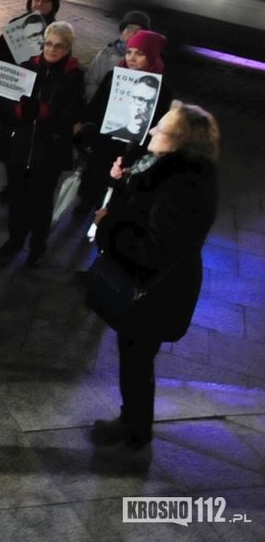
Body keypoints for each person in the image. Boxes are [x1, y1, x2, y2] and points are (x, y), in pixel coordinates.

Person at [90, 102, 219, 452]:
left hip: (157, 292)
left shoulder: (184, 189)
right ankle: (134, 423)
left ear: (180, 141)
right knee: (135, 357)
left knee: (136, 358)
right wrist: (122, 180)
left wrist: (109, 226)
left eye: (160, 129)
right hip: (154, 286)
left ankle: (134, 428)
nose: (151, 132)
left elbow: (152, 249)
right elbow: (142, 202)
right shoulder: (168, 169)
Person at [0, 21, 85, 267]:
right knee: (17, 198)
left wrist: (46, 112)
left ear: (68, 48)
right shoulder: (26, 68)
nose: (52, 50)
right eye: (48, 43)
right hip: (21, 147)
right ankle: (14, 240)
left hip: (50, 152)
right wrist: (18, 110)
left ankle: (37, 247)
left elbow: (75, 114)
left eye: (59, 46)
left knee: (41, 203)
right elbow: (4, 103)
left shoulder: (75, 76)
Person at [77, 29, 174, 213]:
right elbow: (96, 107)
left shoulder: (162, 89)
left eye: (139, 53)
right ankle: (87, 203)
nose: (132, 58)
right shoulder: (114, 76)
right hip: (104, 142)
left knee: (118, 188)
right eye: (129, 52)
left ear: (151, 56)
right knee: (94, 177)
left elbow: (161, 123)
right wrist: (89, 129)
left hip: (133, 147)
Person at [0, 0, 61, 198]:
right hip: (12, 91)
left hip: (35, 96)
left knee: (28, 143)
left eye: (44, 0)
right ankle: (10, 183)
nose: (39, 4)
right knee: (6, 142)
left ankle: (24, 184)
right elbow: (0, 54)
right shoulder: (16, 25)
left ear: (53, 4)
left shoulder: (57, 32)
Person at [84, 10, 151, 102]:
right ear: (122, 32)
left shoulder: (149, 61)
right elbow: (91, 82)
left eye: (138, 31)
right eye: (129, 29)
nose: (132, 34)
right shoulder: (106, 53)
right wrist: (100, 103)